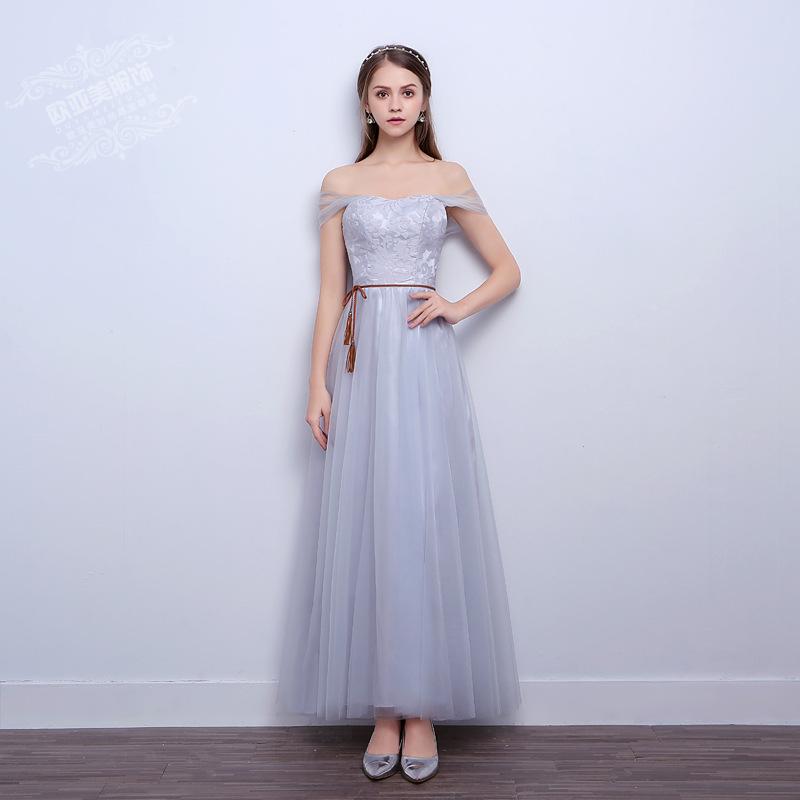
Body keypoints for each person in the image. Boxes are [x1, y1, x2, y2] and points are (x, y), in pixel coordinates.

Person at [276, 43, 523, 784]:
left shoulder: (448, 177)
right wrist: (315, 385)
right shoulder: (340, 183)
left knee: (421, 518)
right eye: (382, 92)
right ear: (365, 102)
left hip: (422, 361)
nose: (394, 103)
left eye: (406, 91)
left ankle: (421, 710)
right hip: (361, 365)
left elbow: (508, 270)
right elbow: (330, 292)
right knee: (372, 522)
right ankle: (386, 706)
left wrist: (454, 306)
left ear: (424, 101)